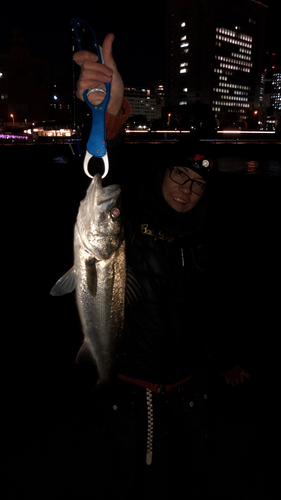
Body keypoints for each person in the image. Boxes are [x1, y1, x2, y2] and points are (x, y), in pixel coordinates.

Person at [73, 34, 250, 500]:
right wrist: (105, 115)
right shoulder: (130, 215)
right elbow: (100, 173)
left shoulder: (207, 237)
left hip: (192, 384)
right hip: (130, 385)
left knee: (192, 479)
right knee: (124, 481)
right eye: (179, 174)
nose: (187, 190)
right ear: (162, 172)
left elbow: (216, 301)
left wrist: (228, 357)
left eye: (198, 185)